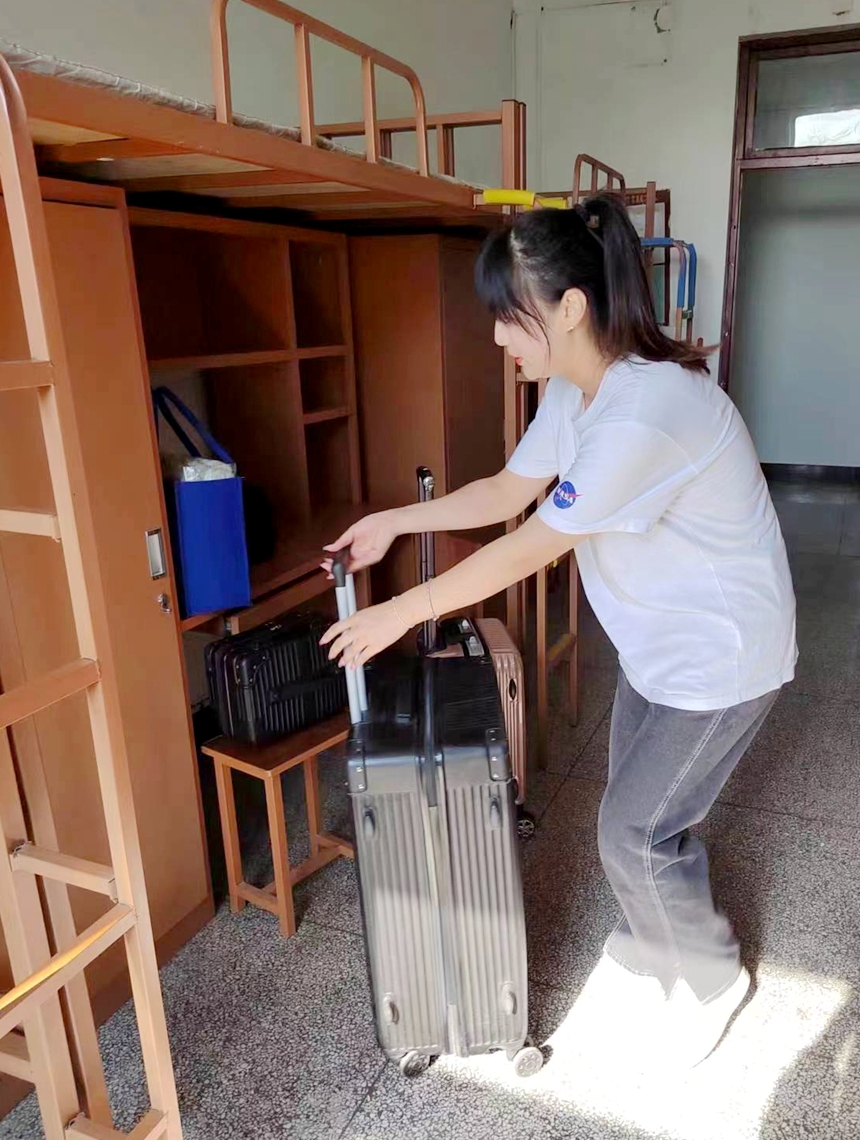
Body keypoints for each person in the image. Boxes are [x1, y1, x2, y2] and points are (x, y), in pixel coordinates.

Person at [320, 194, 797, 1070]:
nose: (498, 337)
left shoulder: (644, 411)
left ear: (570, 307)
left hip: (723, 659)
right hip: (660, 647)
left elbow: (528, 547)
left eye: (511, 317)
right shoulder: (578, 392)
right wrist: (394, 521)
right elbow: (508, 493)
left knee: (632, 831)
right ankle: (656, 942)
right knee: (637, 813)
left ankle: (711, 978)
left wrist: (401, 611)